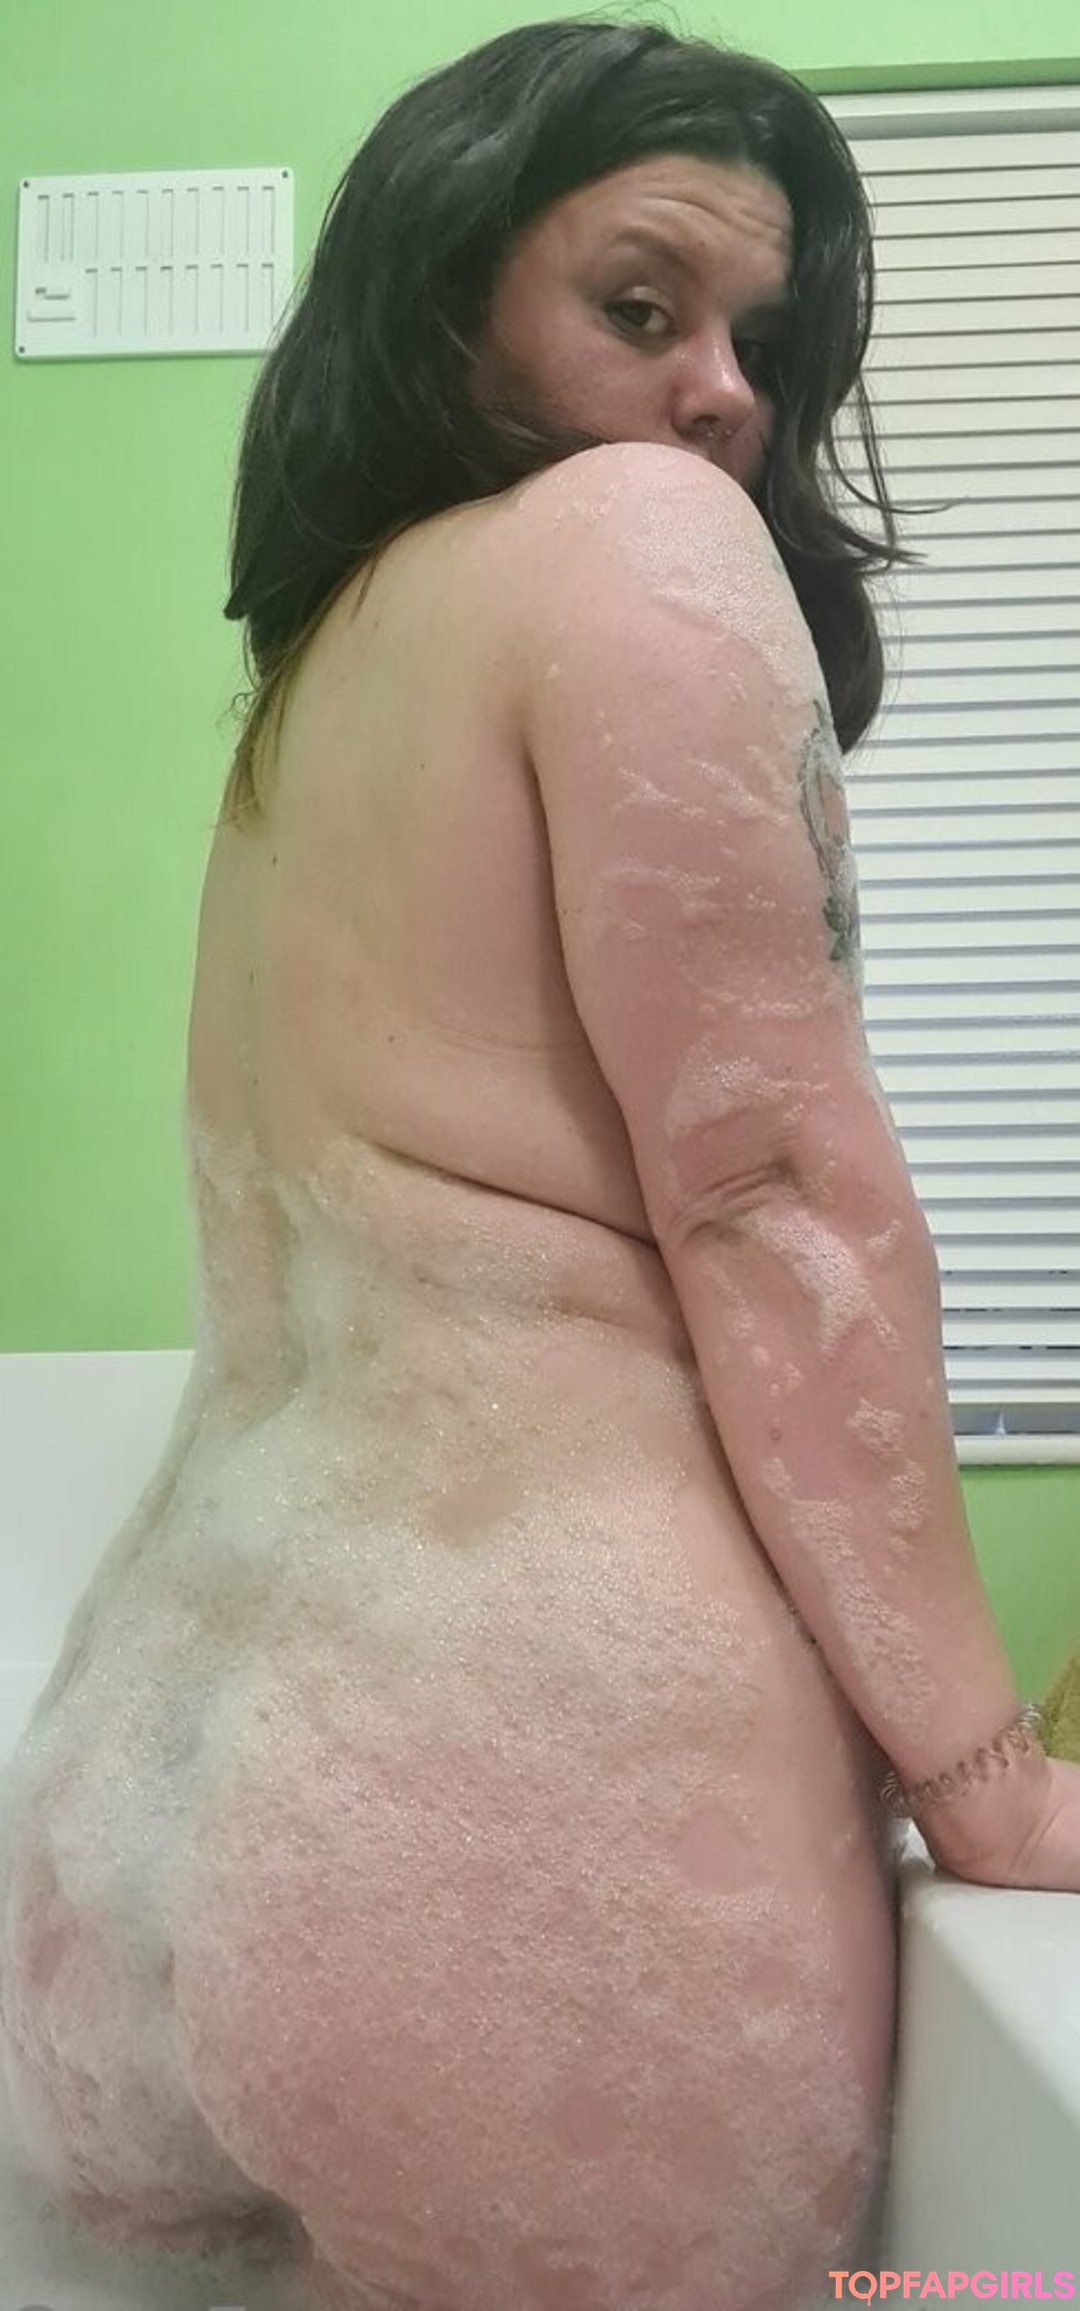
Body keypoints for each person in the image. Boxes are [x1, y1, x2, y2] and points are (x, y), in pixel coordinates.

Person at [2, 17, 1079, 2311]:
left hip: (160, 1794)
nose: (724, 398)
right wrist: (988, 1773)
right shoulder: (637, 547)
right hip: (528, 1853)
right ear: (444, 298)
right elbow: (774, 1192)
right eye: (641, 303)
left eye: (760, 345)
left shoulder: (322, 674)